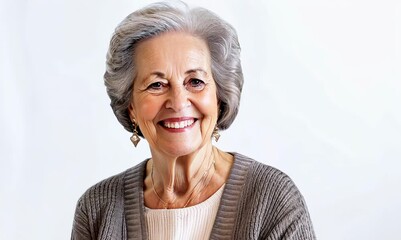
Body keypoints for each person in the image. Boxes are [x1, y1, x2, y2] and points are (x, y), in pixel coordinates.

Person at [71, 1, 316, 239]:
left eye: (195, 82)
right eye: (157, 85)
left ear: (219, 97)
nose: (178, 102)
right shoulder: (97, 209)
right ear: (131, 106)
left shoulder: (273, 200)